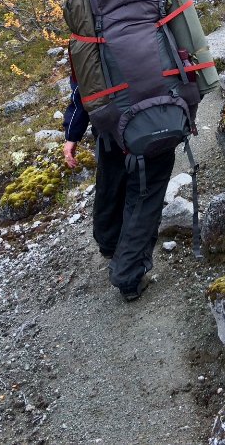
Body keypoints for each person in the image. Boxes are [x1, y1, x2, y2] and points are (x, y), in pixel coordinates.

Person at [63, 77, 175, 302]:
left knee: (112, 181)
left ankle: (110, 243)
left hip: (108, 126)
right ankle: (129, 276)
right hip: (157, 120)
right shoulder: (155, 37)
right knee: (145, 196)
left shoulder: (86, 39)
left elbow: (81, 88)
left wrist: (72, 134)